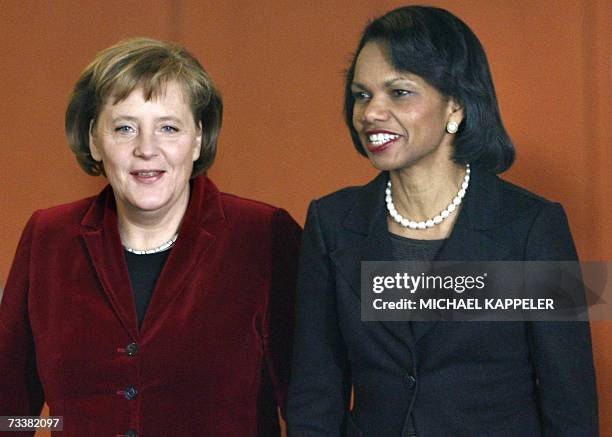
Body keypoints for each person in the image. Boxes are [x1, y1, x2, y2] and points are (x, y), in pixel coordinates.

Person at [286, 6, 598, 437]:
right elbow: (314, 395)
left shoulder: (532, 227)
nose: (371, 112)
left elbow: (571, 404)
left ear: (456, 104)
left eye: (399, 92)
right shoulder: (332, 223)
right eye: (362, 94)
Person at [0, 38, 300, 436]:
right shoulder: (48, 238)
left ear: (197, 139)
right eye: (124, 128)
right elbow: (10, 412)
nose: (146, 149)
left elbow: (311, 405)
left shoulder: (261, 235)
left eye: (168, 128)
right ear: (93, 139)